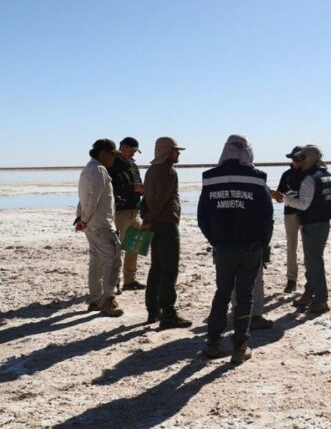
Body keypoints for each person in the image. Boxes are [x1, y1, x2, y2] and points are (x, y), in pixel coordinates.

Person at [198, 135, 274, 365]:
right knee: (244, 296)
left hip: (223, 248)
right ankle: (240, 346)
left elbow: (203, 217)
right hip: (250, 248)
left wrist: (215, 240)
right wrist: (263, 243)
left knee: (222, 293)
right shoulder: (258, 179)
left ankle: (212, 343)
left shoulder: (211, 178)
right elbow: (267, 217)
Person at [272, 145, 331, 314]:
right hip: (323, 223)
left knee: (314, 262)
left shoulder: (309, 178)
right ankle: (309, 294)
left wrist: (283, 198)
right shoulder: (327, 176)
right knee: (312, 260)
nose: (297, 160)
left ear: (307, 159)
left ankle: (321, 299)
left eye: (301, 157)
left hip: (312, 224)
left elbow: (303, 204)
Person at [141, 136, 191, 329]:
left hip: (155, 224)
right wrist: (149, 219)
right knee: (169, 269)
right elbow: (160, 200)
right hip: (166, 224)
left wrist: (146, 219)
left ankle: (153, 309)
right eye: (175, 150)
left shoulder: (151, 170)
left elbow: (146, 199)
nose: (178, 153)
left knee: (157, 267)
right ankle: (168, 312)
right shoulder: (168, 171)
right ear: (166, 151)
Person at [74, 139, 124, 317]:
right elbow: (92, 197)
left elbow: (84, 198)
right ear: (102, 153)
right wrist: (84, 219)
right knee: (113, 259)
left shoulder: (88, 169)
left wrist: (81, 218)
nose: (114, 158)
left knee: (96, 260)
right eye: (112, 154)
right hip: (101, 225)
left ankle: (95, 299)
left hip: (93, 225)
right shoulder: (98, 169)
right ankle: (108, 299)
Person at [107, 136, 146, 292]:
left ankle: (130, 280)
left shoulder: (133, 166)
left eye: (135, 151)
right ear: (123, 147)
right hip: (119, 211)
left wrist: (141, 190)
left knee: (134, 246)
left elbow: (137, 184)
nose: (134, 154)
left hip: (135, 210)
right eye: (132, 151)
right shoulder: (111, 164)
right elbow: (109, 189)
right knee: (115, 249)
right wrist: (132, 189)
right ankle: (113, 283)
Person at [275, 146, 304, 293]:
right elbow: (280, 196)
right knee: (291, 247)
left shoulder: (309, 174)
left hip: (307, 215)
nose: (296, 161)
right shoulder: (286, 174)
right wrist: (279, 196)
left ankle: (310, 280)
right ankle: (291, 280)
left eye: (298, 159)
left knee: (308, 249)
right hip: (290, 214)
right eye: (294, 159)